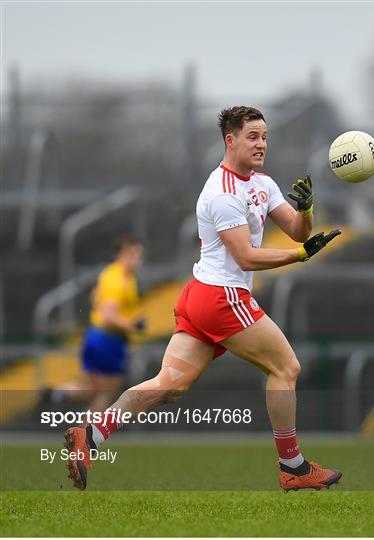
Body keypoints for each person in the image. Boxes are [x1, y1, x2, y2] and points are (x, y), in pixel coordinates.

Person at [65, 106, 342, 492]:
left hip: (201, 295)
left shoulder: (262, 183)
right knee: (286, 368)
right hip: (221, 297)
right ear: (231, 140)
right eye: (253, 137)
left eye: (264, 136)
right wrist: (300, 256)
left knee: (170, 384)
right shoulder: (221, 192)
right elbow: (247, 256)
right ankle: (293, 467)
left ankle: (91, 435)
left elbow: (297, 230)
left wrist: (307, 210)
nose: (262, 144)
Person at [53, 235, 145, 413]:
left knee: (91, 389)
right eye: (135, 255)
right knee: (107, 391)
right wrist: (133, 325)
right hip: (108, 339)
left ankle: (59, 393)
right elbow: (109, 315)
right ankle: (85, 436)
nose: (138, 261)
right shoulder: (118, 280)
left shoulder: (111, 274)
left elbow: (94, 297)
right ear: (122, 254)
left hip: (95, 335)